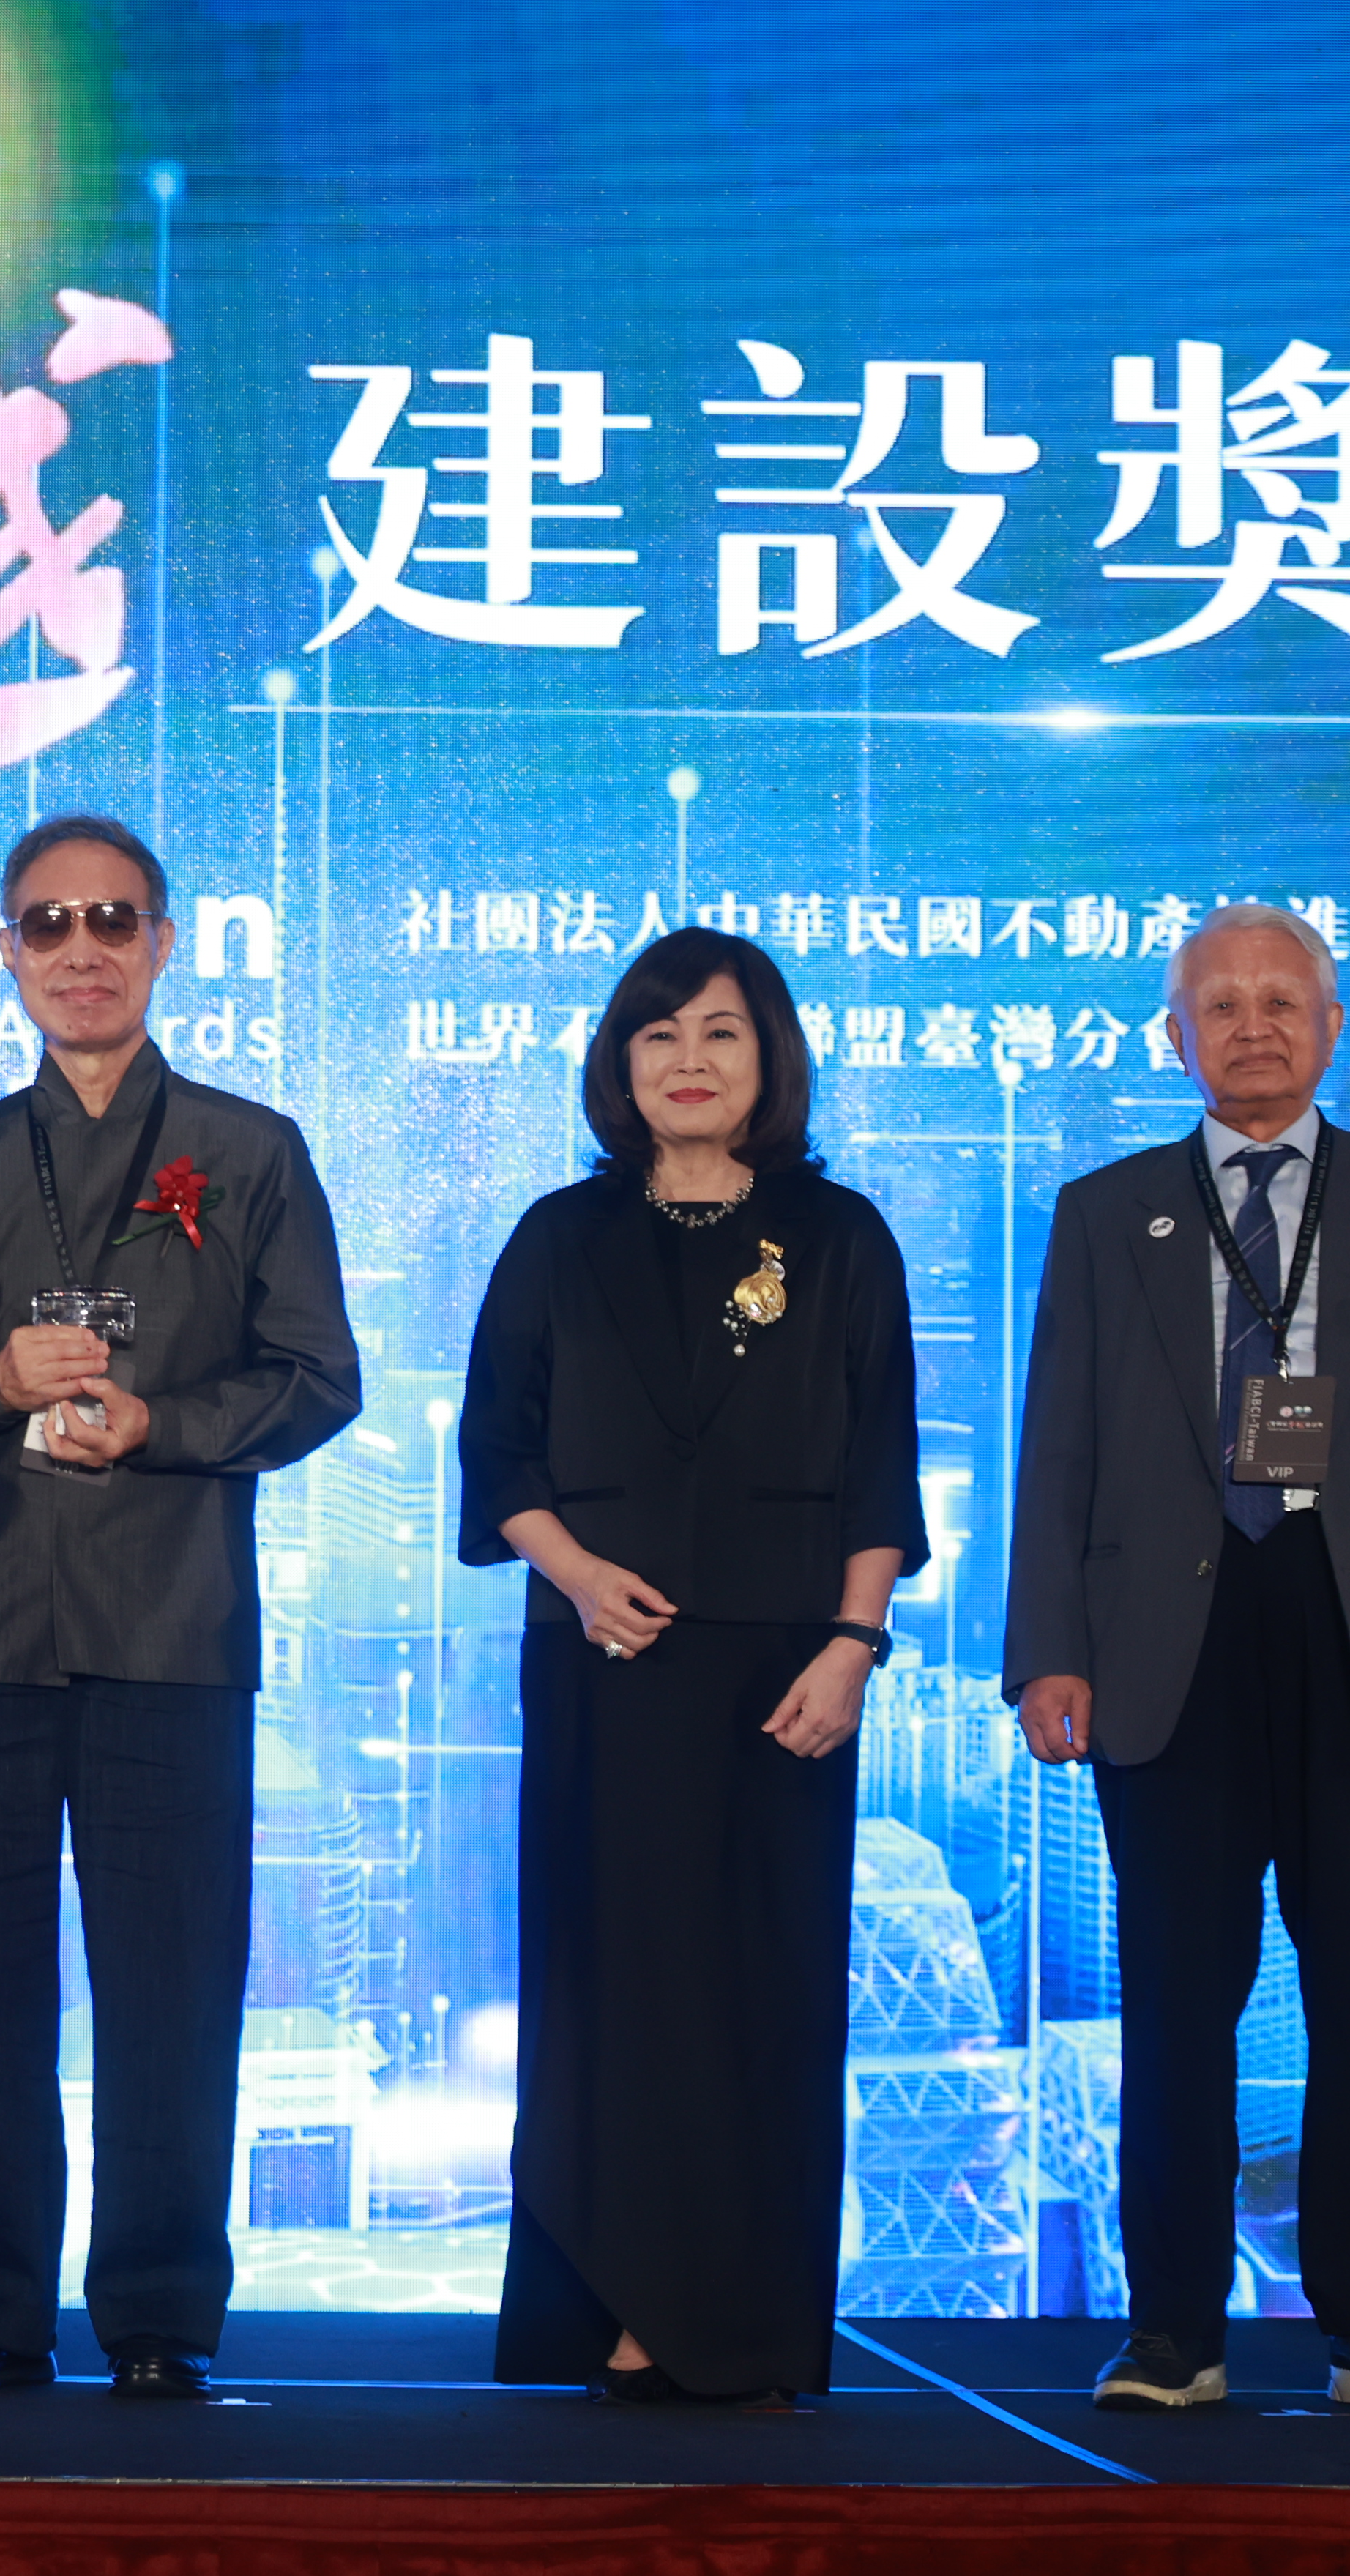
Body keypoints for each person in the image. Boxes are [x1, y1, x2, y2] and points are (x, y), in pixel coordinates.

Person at [1007, 901, 1350, 2417]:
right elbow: (1061, 1453)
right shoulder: (1111, 1214)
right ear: (1174, 1036)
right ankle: (1174, 2328)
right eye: (1218, 1006)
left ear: (1331, 1028)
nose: (1252, 1027)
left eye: (1280, 1001)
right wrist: (1049, 1650)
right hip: (1168, 1638)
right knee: (1180, 1992)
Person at [0, 812, 360, 2402]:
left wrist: (167, 1421)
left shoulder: (253, 1148)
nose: (81, 950)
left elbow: (317, 1377)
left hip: (172, 1627)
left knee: (172, 1986)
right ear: (4, 951)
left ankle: (158, 2316)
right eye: (47, 923)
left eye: (113, 921)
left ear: (164, 942)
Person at [457, 928, 922, 2408]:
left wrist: (854, 1646)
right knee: (608, 1990)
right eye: (658, 1037)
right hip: (603, 1659)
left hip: (785, 1682)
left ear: (769, 1057)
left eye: (719, 1033)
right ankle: (606, 2301)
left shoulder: (840, 1237)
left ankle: (737, 2318)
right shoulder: (558, 1236)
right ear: (621, 1065)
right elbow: (497, 1454)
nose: (689, 1062)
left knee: (759, 1995)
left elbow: (880, 1472)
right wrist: (580, 1575)